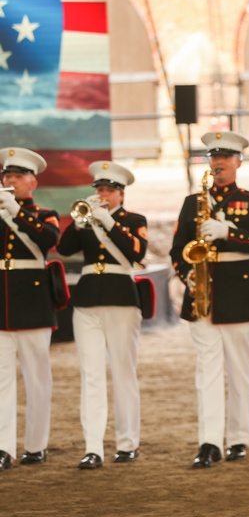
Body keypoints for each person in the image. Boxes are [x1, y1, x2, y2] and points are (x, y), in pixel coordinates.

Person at [170, 131, 249, 468]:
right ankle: (210, 441)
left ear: (238, 161)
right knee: (207, 372)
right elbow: (177, 248)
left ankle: (240, 439)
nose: (219, 163)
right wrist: (186, 273)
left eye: (226, 157)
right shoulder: (192, 202)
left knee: (240, 370)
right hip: (202, 293)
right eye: (214, 157)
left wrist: (230, 232)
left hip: (239, 291)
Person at [57, 161, 147, 469]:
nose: (103, 195)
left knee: (123, 372)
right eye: (100, 190)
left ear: (121, 194)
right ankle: (93, 446)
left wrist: (108, 221)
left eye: (110, 190)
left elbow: (137, 251)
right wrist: (78, 221)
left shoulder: (134, 220)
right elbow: (65, 248)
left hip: (121, 297)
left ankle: (127, 443)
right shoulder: (86, 218)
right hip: (87, 299)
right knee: (91, 374)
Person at [0, 148, 60, 471]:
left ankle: (36, 445)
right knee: (1, 380)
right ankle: (3, 447)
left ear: (32, 183)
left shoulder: (44, 213)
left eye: (16, 176)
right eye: (6, 176)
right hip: (1, 304)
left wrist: (16, 212)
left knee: (37, 378)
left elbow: (47, 239)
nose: (8, 181)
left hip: (34, 303)